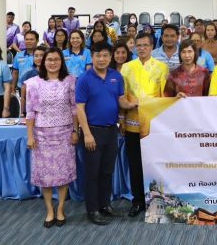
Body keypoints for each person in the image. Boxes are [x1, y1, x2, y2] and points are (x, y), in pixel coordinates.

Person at [76, 42, 137, 225]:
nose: (101, 59)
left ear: (110, 57)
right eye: (98, 55)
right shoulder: (84, 79)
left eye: (105, 55)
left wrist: (134, 104)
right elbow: (79, 108)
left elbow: (121, 100)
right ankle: (93, 210)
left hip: (111, 131)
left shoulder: (116, 76)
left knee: (107, 171)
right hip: (92, 131)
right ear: (92, 57)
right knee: (92, 173)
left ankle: (105, 205)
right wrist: (87, 134)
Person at [26, 48, 78, 228]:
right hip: (41, 135)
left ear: (61, 61)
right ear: (43, 62)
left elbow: (74, 109)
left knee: (63, 174)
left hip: (65, 133)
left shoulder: (70, 81)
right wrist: (30, 136)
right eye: (49, 59)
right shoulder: (33, 83)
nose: (53, 63)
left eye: (56, 59)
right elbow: (30, 112)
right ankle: (49, 210)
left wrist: (75, 131)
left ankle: (61, 208)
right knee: (45, 175)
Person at [120, 34, 169, 217]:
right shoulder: (127, 67)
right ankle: (138, 200)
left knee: (155, 162)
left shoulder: (162, 67)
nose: (141, 49)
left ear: (151, 47)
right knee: (135, 163)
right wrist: (122, 119)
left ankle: (157, 199)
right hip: (132, 121)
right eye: (138, 45)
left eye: (145, 45)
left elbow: (164, 96)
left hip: (153, 123)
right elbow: (122, 95)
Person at [20, 45, 47, 117]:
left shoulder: (51, 73)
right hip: (31, 112)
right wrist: (22, 113)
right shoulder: (28, 74)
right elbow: (23, 97)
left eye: (41, 55)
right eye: (36, 56)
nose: (39, 58)